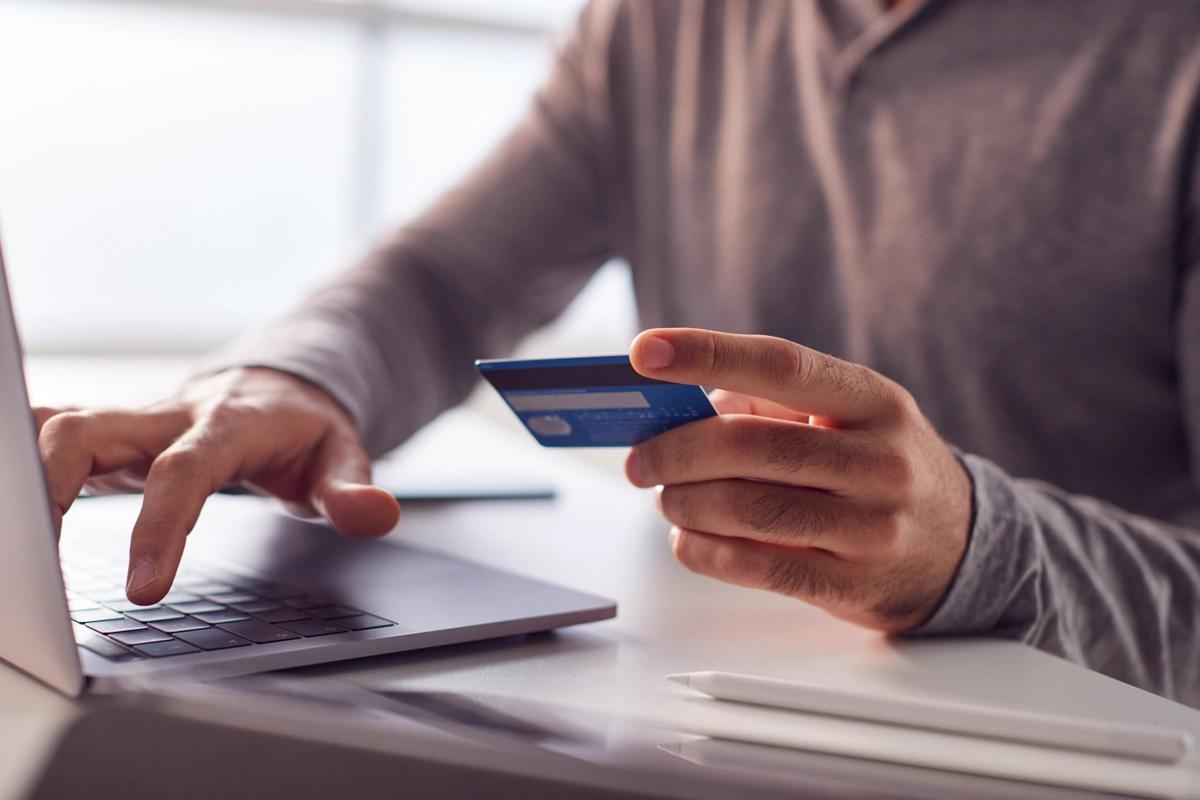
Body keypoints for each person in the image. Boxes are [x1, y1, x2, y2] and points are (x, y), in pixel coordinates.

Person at [34, 0, 1200, 705]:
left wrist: (978, 548)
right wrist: (293, 378)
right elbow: (444, 281)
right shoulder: (668, 21)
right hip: (722, 711)